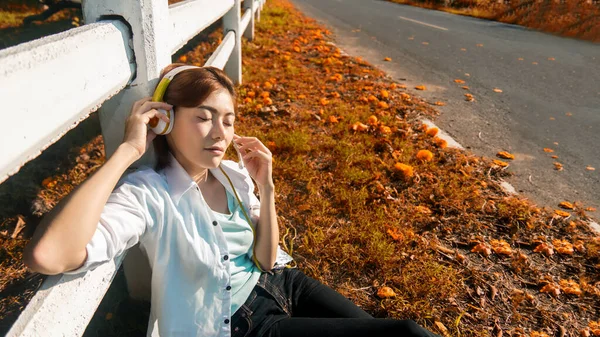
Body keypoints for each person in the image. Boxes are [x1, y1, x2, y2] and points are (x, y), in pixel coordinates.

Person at [23, 63, 441, 337]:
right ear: (164, 119)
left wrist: (267, 187)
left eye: (227, 119)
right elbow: (48, 254)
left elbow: (265, 258)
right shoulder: (150, 193)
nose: (219, 133)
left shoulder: (231, 172)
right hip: (243, 321)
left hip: (282, 281)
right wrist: (130, 149)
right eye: (202, 117)